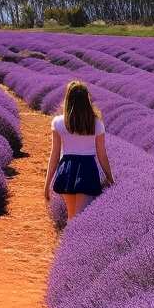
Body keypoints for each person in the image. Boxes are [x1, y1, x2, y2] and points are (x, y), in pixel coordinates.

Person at [44, 80, 114, 221]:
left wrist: (47, 184)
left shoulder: (58, 122)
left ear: (68, 99)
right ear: (87, 100)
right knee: (80, 218)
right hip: (87, 169)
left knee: (72, 217)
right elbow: (102, 155)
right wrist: (110, 177)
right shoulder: (96, 123)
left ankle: (68, 242)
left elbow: (55, 155)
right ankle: (70, 243)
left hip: (67, 169)